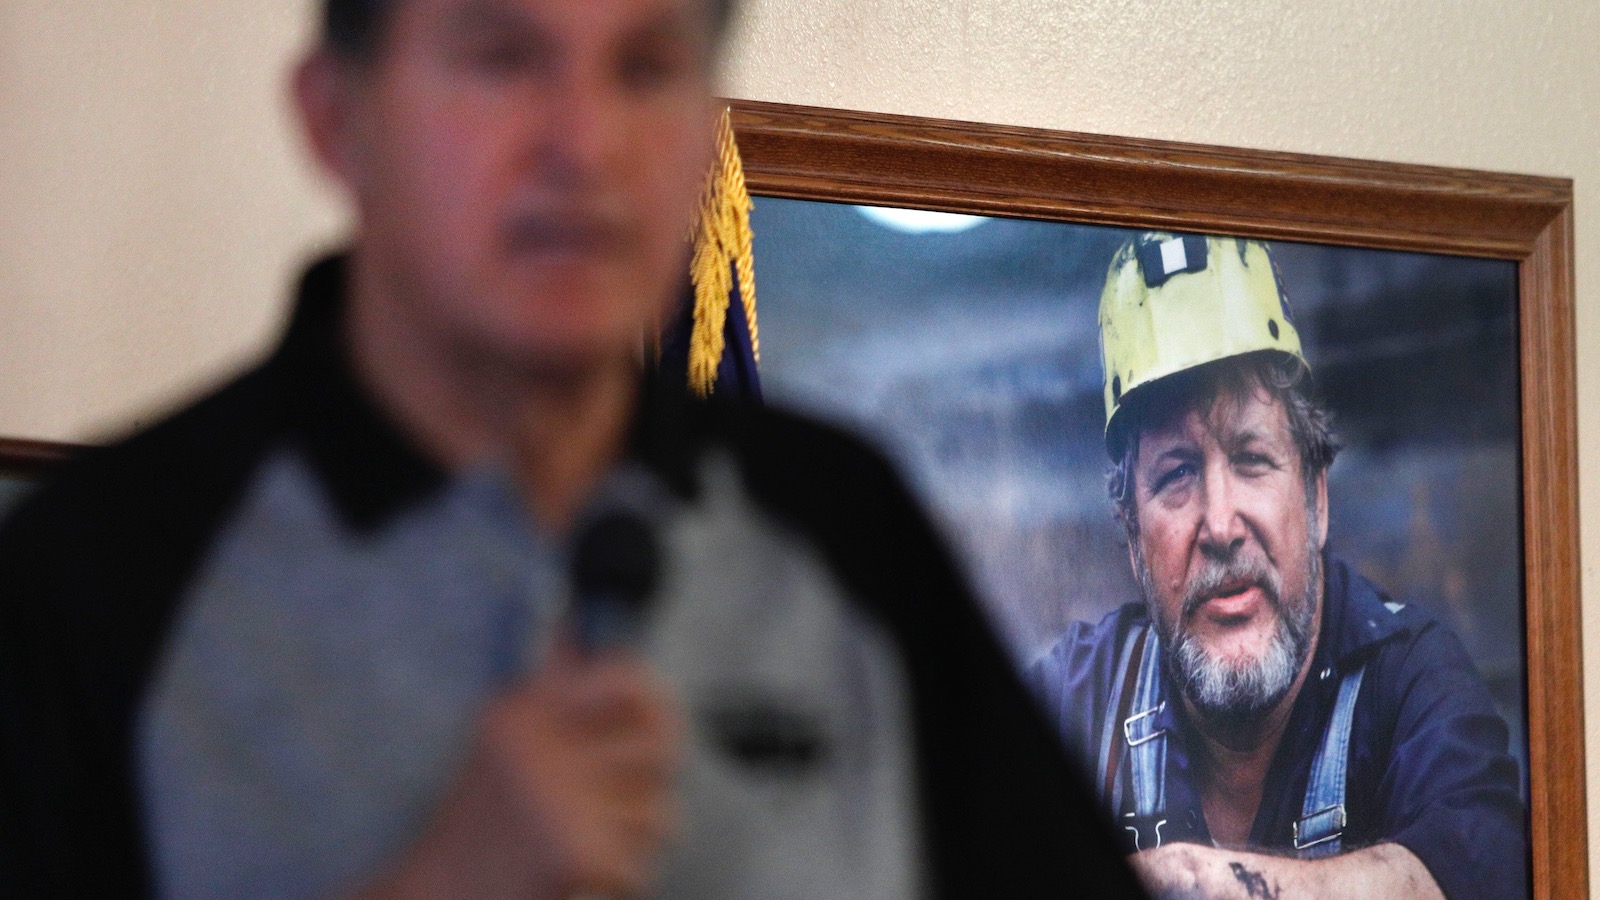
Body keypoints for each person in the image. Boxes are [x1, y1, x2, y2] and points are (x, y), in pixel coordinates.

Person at [0, 1, 1146, 897]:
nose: (582, 145)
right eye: (501, 57)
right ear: (333, 117)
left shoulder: (842, 525)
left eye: (644, 67)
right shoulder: (100, 572)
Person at [1027, 233, 1527, 899]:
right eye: (1176, 475)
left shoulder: (1409, 681)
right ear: (1129, 532)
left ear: (1316, 496)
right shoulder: (1079, 698)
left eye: (1252, 459)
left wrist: (1195, 883)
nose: (1222, 526)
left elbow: (1482, 876)